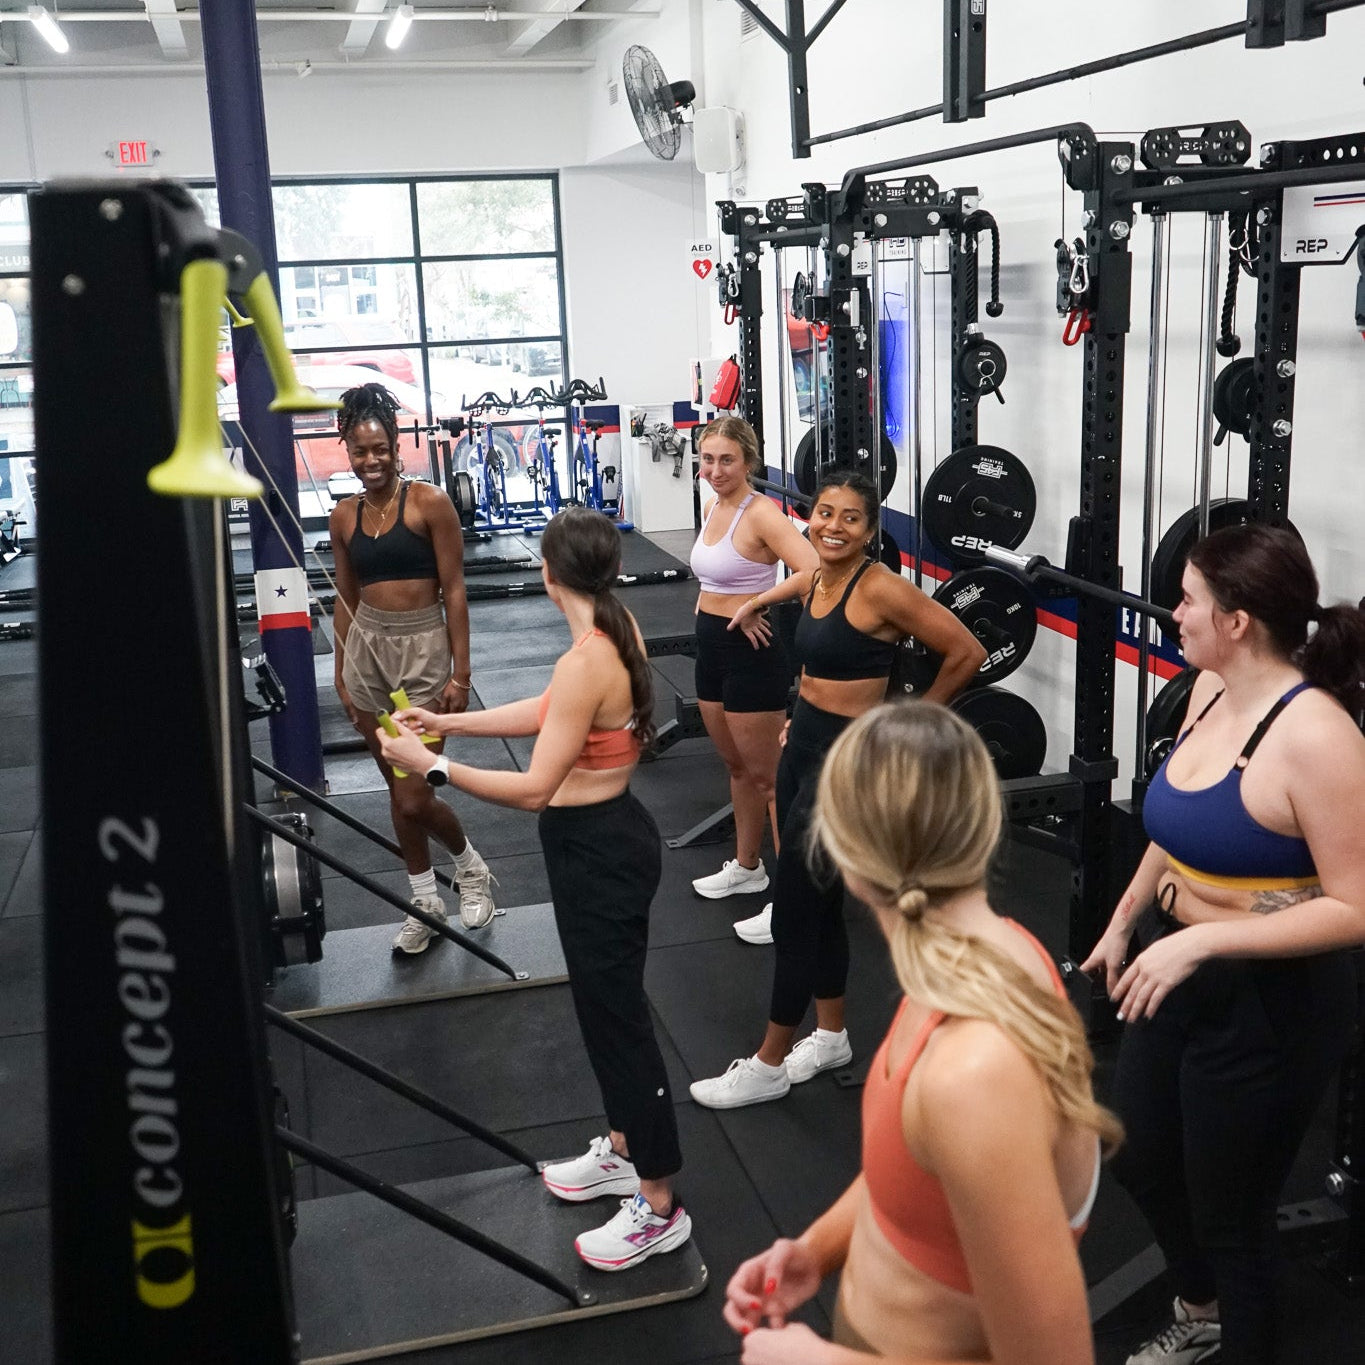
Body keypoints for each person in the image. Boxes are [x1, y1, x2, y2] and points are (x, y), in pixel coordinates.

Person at [724, 701, 1119, 1364]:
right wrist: (815, 1249)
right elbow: (915, 1175)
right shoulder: (977, 954)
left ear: (846, 858)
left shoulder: (972, 1075)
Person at [378, 506, 691, 1272]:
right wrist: (448, 722)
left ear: (547, 573)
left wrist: (432, 768)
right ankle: (623, 1149)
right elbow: (551, 716)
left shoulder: (586, 657)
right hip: (605, 841)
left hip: (599, 852)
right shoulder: (610, 633)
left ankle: (658, 1203)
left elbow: (535, 786)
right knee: (599, 1009)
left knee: (618, 1023)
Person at [1081, 524, 1365, 1365]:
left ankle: (1234, 1326)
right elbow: (1172, 827)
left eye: (1188, 599)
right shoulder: (1205, 691)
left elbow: (1355, 905)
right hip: (1176, 965)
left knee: (1230, 1213)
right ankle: (1199, 1308)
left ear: (1236, 619)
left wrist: (1203, 945)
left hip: (1269, 1000)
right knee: (1135, 1148)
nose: (1173, 611)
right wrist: (1126, 918)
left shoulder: (1316, 735)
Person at [689, 469, 986, 1109]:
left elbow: (967, 650)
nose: (832, 526)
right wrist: (757, 604)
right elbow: (801, 591)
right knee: (818, 905)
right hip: (806, 744)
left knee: (796, 906)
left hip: (847, 766)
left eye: (850, 518)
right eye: (824, 513)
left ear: (871, 531)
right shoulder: (823, 579)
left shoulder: (882, 589)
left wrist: (909, 726)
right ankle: (830, 1037)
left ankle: (768, 1063)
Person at [329, 382, 496, 950]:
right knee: (395, 788)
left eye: (380, 449)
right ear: (347, 451)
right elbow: (345, 598)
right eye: (360, 451)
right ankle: (425, 899)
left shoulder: (429, 503)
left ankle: (470, 867)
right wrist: (339, 669)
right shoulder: (344, 516)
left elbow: (454, 590)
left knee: (414, 793)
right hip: (367, 655)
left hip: (423, 649)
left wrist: (462, 674)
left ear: (398, 447)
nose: (370, 461)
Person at [688, 416, 818, 932]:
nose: (715, 470)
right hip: (711, 650)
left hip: (752, 654)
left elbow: (812, 570)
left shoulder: (761, 513)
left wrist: (760, 602)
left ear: (749, 462)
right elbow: (713, 577)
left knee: (771, 782)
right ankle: (748, 868)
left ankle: (791, 903)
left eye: (726, 460)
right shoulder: (711, 505)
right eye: (707, 459)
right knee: (737, 769)